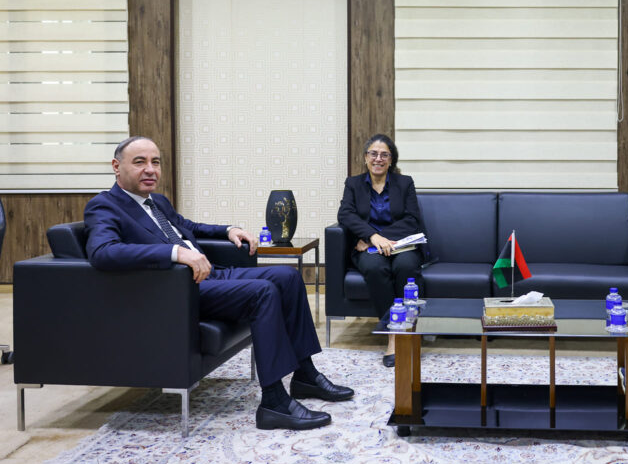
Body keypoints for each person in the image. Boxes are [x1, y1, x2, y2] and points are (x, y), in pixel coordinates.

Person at [84, 136, 353, 431]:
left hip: (211, 275)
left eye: (155, 162)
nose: (150, 169)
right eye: (140, 162)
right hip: (180, 291)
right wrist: (175, 253)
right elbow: (103, 252)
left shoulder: (156, 201)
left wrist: (228, 229)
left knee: (287, 276)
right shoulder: (104, 206)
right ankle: (274, 402)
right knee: (263, 291)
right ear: (116, 166)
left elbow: (188, 227)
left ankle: (304, 375)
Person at [337, 134, 426, 368]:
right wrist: (371, 236)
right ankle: (394, 335)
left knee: (406, 266)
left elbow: (412, 219)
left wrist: (382, 239)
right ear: (366, 157)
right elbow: (345, 214)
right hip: (369, 248)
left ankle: (410, 327)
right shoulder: (353, 184)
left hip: (400, 245)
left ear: (391, 159)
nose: (378, 158)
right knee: (375, 268)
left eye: (384, 154)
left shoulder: (404, 183)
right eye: (373, 154)